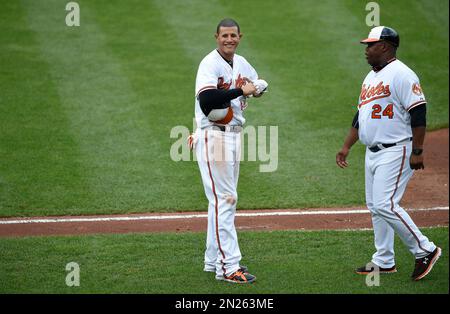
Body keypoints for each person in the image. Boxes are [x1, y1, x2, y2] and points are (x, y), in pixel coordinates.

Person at [336, 26, 441, 281]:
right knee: (375, 207)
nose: (366, 50)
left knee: (385, 204)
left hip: (397, 149)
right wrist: (347, 146)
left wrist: (418, 150)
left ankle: (425, 249)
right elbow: (359, 116)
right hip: (373, 153)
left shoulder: (402, 74)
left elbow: (419, 112)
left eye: (370, 45)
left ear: (384, 46)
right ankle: (384, 260)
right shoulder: (370, 78)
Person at [191, 18, 267, 284]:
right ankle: (228, 267)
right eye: (224, 36)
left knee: (221, 202)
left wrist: (258, 88)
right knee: (225, 200)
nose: (229, 40)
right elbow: (207, 101)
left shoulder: (241, 62)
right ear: (216, 37)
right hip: (214, 136)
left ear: (239, 36)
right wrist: (239, 90)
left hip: (233, 137)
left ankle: (214, 261)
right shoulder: (209, 64)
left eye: (233, 35)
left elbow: (256, 81)